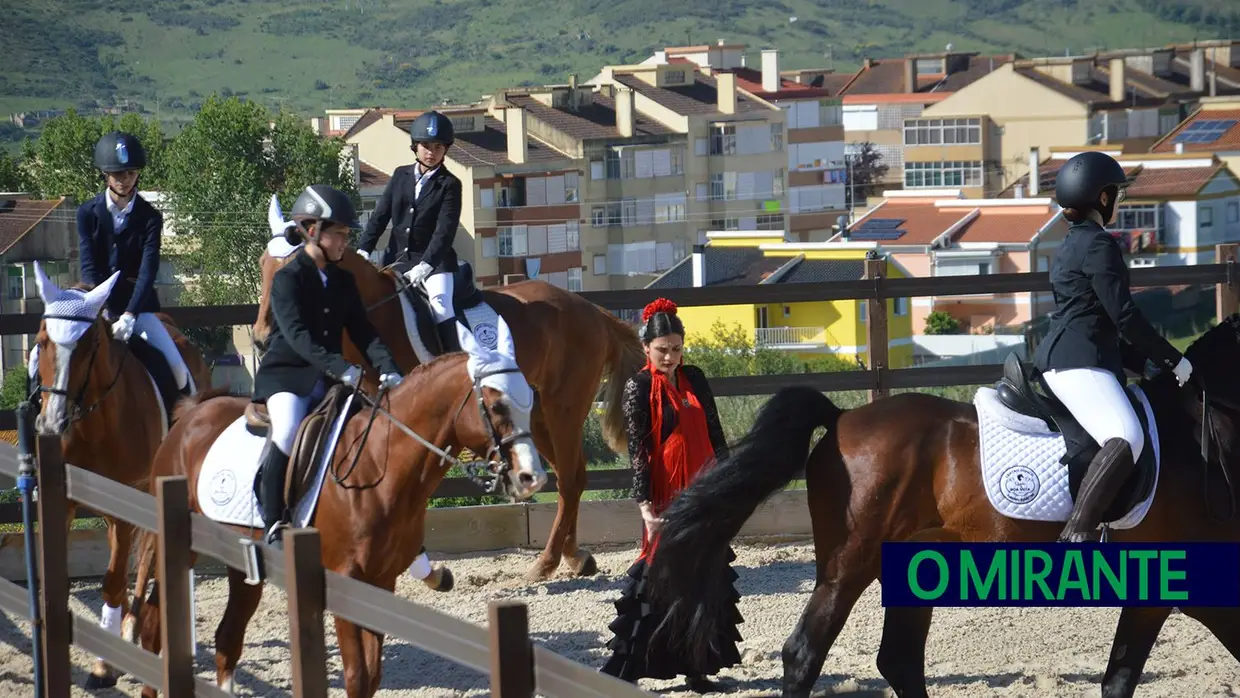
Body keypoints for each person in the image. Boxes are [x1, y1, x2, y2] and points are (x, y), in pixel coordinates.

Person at [1033, 150, 1193, 542]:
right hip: (1079, 362)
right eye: (1117, 194)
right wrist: (1173, 359)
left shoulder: (1071, 243)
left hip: (1072, 355)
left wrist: (1145, 363)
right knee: (1127, 436)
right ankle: (1078, 535)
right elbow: (1124, 317)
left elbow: (1099, 321)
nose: (1120, 201)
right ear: (1102, 198)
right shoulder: (1099, 244)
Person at [599, 298, 740, 693]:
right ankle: (627, 669)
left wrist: (730, 485)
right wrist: (645, 506)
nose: (670, 356)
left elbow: (715, 434)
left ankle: (698, 667)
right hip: (666, 498)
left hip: (704, 494)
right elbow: (640, 452)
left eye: (676, 348)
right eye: (662, 349)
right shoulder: (638, 386)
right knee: (657, 579)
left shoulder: (695, 377)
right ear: (647, 348)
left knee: (706, 579)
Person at [252, 184, 403, 547]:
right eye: (339, 234)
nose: (344, 242)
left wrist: (389, 369)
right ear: (313, 230)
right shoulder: (289, 279)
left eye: (347, 235)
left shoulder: (343, 281)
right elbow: (299, 337)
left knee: (370, 429)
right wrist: (344, 368)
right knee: (288, 429)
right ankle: (272, 521)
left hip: (331, 377)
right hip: (287, 376)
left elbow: (364, 333)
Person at [78, 131, 193, 396]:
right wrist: (101, 308)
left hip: (139, 309)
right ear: (106, 175)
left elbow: (147, 270)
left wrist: (130, 314)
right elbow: (88, 265)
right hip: (98, 306)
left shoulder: (150, 217)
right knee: (51, 353)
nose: (124, 180)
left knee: (177, 368)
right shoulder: (87, 213)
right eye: (118, 174)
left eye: (130, 173)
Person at [357, 110, 465, 353]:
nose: (431, 152)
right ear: (415, 146)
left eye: (438, 146)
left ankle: (452, 362)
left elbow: (444, 232)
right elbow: (380, 216)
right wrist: (363, 249)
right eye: (426, 145)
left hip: (435, 265)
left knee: (441, 307)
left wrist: (425, 266)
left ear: (445, 149)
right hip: (395, 261)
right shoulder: (399, 175)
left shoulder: (450, 185)